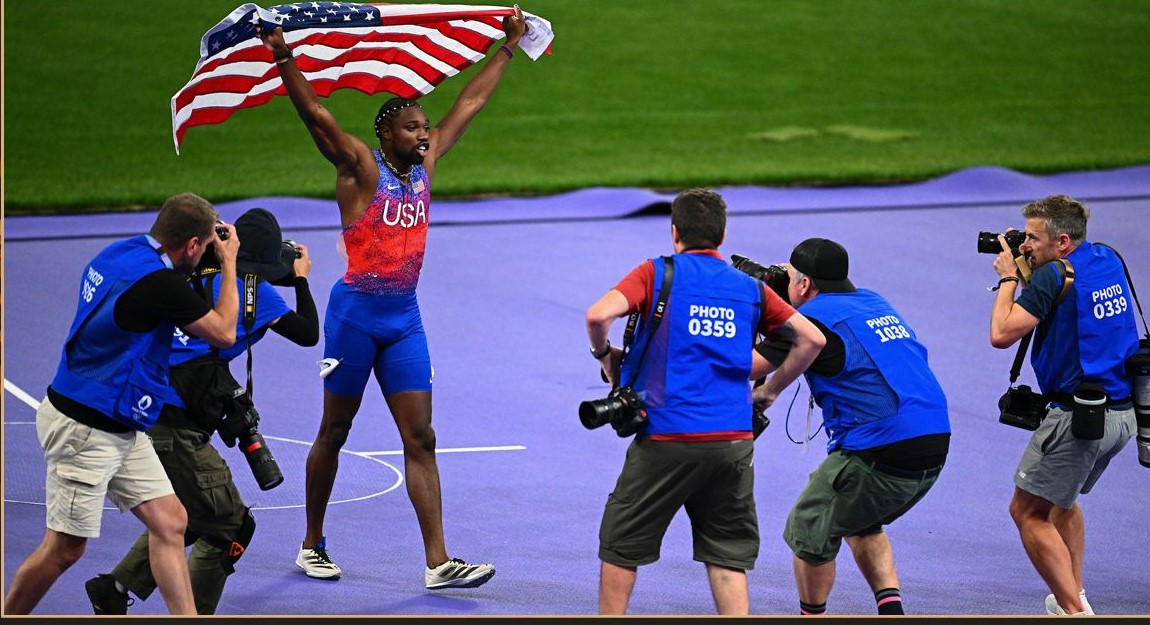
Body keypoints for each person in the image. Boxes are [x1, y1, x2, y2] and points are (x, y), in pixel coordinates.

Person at [255, 7, 528, 588]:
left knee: (421, 436)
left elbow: (470, 105)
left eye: (424, 126)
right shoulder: (360, 169)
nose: (424, 133)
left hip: (403, 318)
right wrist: (283, 55)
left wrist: (507, 47)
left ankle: (437, 563)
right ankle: (312, 544)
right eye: (411, 127)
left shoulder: (424, 167)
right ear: (385, 134)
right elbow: (317, 116)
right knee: (334, 432)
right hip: (355, 316)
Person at [584, 188, 825, 615]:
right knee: (727, 556)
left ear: (675, 232)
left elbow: (598, 315)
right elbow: (812, 339)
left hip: (666, 437)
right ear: (722, 234)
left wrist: (605, 356)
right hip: (733, 440)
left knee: (621, 548)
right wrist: (769, 391)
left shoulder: (654, 274)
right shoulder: (749, 288)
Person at [3, 193, 240, 615]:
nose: (208, 251)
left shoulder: (119, 252)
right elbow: (223, 332)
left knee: (170, 521)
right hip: (85, 429)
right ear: (190, 245)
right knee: (63, 550)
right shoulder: (161, 285)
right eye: (205, 245)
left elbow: (152, 300)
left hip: (116, 420)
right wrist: (229, 262)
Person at [82, 208, 319, 615]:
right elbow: (308, 333)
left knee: (188, 513)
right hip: (178, 428)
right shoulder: (255, 293)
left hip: (144, 410)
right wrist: (299, 277)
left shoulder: (191, 272)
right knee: (231, 526)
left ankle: (115, 589)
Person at [751, 237, 951, 616]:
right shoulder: (874, 300)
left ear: (805, 284)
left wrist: (761, 316)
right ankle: (892, 611)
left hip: (880, 449)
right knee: (861, 519)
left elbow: (748, 367)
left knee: (808, 526)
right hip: (934, 442)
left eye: (790, 277)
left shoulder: (809, 321)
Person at [987, 195, 1138, 616]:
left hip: (1078, 418)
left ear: (1064, 241)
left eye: (1033, 238)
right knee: (1061, 503)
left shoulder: (1054, 275)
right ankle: (1075, 594)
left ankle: (1075, 611)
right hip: (1120, 413)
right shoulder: (1106, 258)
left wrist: (1008, 280)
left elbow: (1001, 334)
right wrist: (1034, 269)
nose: (1024, 247)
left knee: (1028, 511)